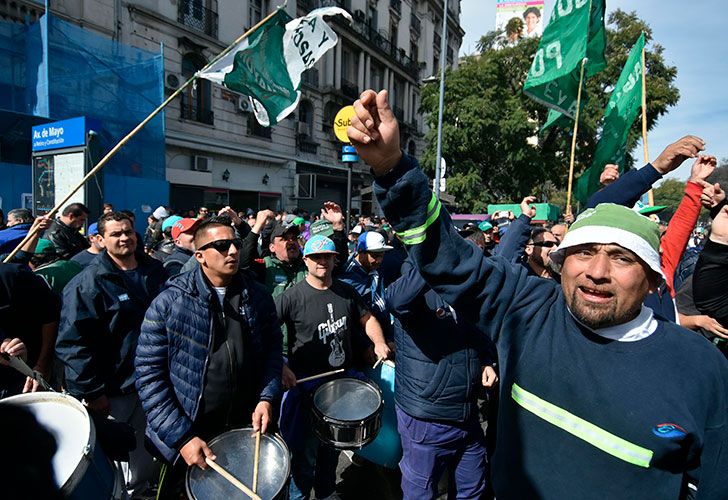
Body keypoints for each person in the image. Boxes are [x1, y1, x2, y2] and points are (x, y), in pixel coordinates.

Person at [347, 89, 728, 498]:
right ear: (561, 262)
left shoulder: (701, 369)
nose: (597, 272)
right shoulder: (527, 311)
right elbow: (446, 258)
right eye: (583, 253)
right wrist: (392, 169)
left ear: (654, 280)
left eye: (621, 259)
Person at [136, 216, 282, 498]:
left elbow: (273, 351)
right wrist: (182, 438)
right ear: (199, 255)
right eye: (222, 245)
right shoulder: (169, 303)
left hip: (245, 430)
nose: (232, 251)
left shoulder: (258, 296)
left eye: (236, 244)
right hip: (192, 433)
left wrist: (266, 397)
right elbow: (149, 376)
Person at [56, 211, 168, 495]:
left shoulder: (155, 272)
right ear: (100, 240)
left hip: (153, 384)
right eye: (115, 234)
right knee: (116, 464)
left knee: (145, 458)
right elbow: (72, 342)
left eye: (128, 232)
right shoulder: (87, 284)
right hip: (112, 391)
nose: (124, 238)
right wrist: (91, 391)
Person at [276, 235, 391, 500]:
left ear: (335, 259)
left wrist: (379, 341)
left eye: (327, 257)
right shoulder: (292, 296)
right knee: (303, 456)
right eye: (316, 257)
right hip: (306, 388)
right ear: (306, 260)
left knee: (331, 452)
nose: (322, 262)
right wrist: (281, 367)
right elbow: (267, 332)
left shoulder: (345, 291)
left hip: (341, 386)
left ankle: (326, 494)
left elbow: (368, 318)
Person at [386, 258, 496, 499]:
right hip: (427, 417)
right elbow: (396, 300)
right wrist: (433, 263)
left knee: (473, 490)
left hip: (466, 414)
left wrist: (486, 359)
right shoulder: (413, 284)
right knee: (421, 493)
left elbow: (478, 332)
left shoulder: (464, 289)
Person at [340, 231, 394, 344]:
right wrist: (364, 344)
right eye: (374, 256)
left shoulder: (375, 268)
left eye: (382, 255)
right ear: (361, 252)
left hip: (384, 337)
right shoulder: (348, 277)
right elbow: (349, 317)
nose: (379, 260)